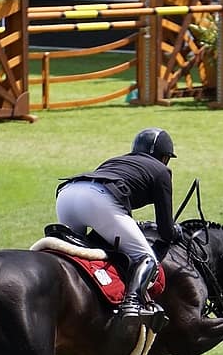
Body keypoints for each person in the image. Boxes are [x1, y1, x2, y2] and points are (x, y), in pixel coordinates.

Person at [56, 128, 183, 317]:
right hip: (98, 201)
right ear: (164, 157)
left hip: (67, 193)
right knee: (146, 258)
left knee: (71, 256)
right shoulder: (162, 171)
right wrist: (175, 232)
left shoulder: (115, 161)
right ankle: (132, 304)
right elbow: (165, 229)